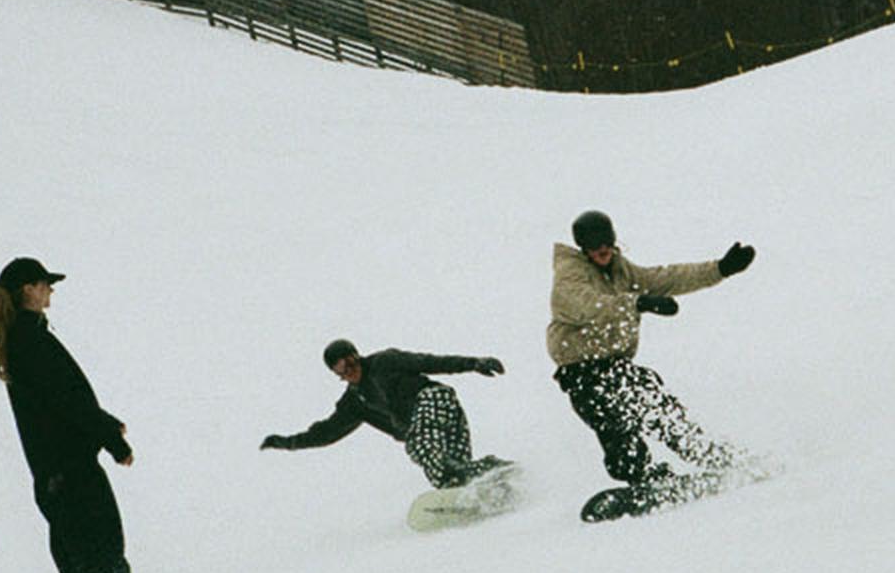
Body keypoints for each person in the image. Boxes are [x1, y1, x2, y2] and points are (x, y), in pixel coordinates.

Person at [0, 257, 135, 573]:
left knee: (88, 571)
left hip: (55, 477)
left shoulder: (22, 339)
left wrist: (105, 423)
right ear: (28, 289)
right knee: (105, 569)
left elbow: (59, 402)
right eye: (45, 283)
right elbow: (68, 401)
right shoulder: (30, 341)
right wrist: (111, 439)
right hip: (72, 475)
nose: (50, 290)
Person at [548, 211, 752, 500]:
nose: (602, 250)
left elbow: (664, 278)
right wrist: (637, 303)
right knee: (614, 420)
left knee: (656, 403)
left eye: (606, 242)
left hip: (615, 364)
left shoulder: (620, 270)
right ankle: (640, 475)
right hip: (581, 371)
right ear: (583, 247)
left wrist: (720, 269)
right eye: (594, 245)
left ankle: (710, 456)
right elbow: (585, 305)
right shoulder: (570, 274)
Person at [262, 341, 513, 492]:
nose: (349, 371)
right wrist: (287, 443)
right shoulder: (354, 402)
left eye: (350, 362)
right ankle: (494, 484)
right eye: (340, 369)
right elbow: (326, 432)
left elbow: (429, 362)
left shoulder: (385, 362)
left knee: (420, 445)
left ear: (356, 355)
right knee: (445, 474)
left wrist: (474, 363)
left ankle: (489, 468)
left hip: (433, 400)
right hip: (421, 426)